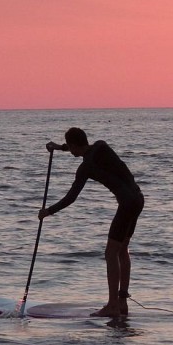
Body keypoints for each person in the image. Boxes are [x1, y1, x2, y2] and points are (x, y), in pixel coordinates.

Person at [39, 127, 144, 317]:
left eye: (70, 148)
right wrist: (60, 147)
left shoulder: (85, 168)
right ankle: (122, 303)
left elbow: (71, 198)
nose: (70, 152)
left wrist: (48, 211)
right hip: (138, 199)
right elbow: (83, 148)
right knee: (122, 250)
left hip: (127, 204)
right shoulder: (101, 146)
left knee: (110, 253)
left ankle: (112, 305)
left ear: (73, 145)